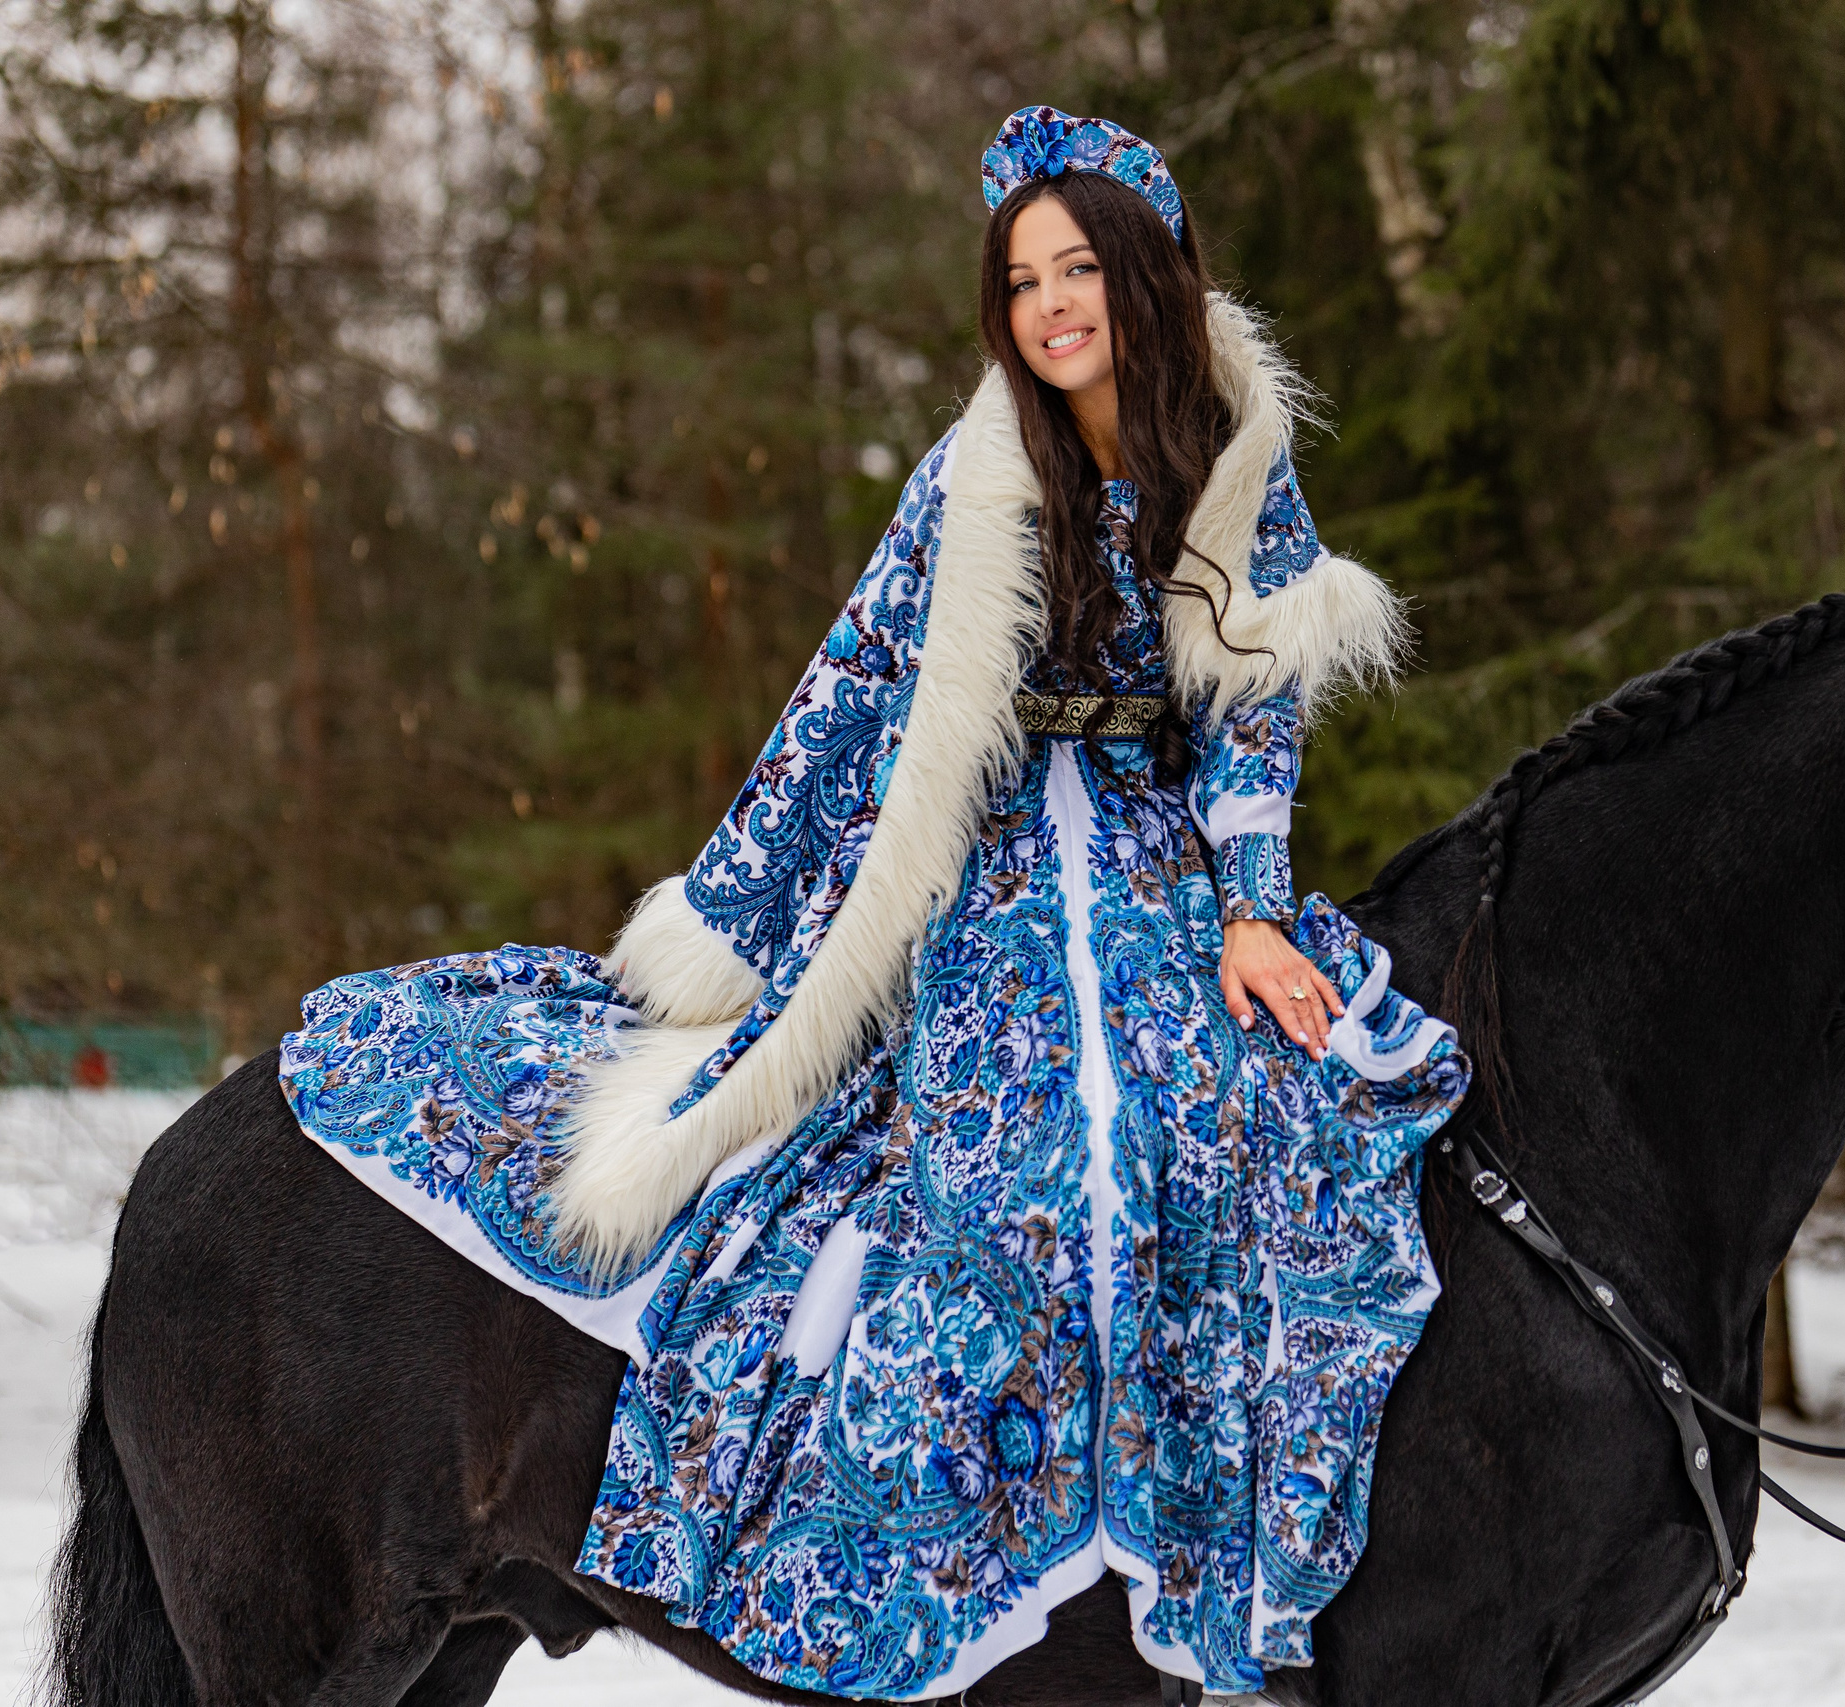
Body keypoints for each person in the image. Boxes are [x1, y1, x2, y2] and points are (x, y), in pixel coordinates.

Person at [280, 107, 1465, 1698]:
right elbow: (850, 704)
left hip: (1163, 861)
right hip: (985, 874)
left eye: (1079, 270)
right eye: (1021, 278)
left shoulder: (1243, 450)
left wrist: (1252, 903)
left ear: (1148, 276)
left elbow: (1252, 700)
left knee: (1255, 1118)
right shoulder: (975, 479)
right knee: (1020, 1164)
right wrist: (743, 925)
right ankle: (987, 1540)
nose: (1050, 306)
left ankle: (1215, 1532)